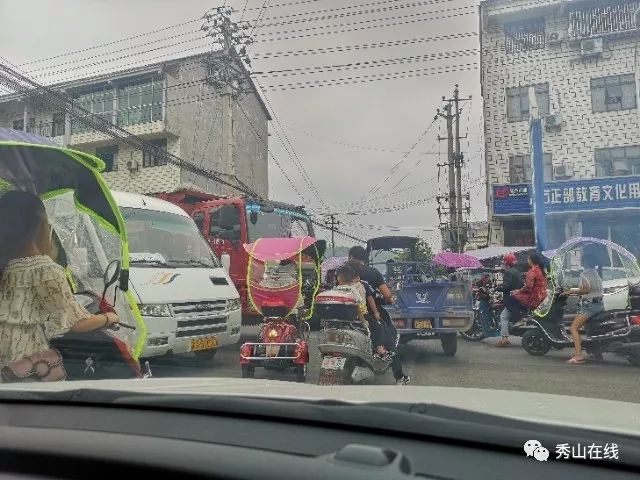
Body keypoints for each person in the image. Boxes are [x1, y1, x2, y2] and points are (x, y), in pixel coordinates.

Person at [0, 191, 119, 369]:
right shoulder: (45, 269)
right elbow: (77, 323)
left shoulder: (6, 264)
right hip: (23, 362)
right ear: (40, 224)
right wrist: (110, 317)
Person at [348, 246, 411, 386]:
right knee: (389, 339)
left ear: (351, 256)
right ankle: (399, 377)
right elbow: (387, 295)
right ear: (365, 258)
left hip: (345, 314)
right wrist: (389, 298)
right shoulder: (373, 273)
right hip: (369, 312)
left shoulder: (343, 272)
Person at [564, 254, 604, 365]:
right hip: (600, 305)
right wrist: (571, 289)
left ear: (585, 262)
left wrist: (571, 292)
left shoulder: (585, 274)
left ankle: (578, 356)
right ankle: (596, 353)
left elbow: (585, 290)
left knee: (573, 328)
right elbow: (590, 288)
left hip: (590, 307)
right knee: (591, 328)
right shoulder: (596, 273)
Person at [495, 253, 524, 347]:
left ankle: (504, 339)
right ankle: (505, 338)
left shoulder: (509, 272)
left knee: (503, 317)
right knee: (505, 317)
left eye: (503, 262)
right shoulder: (517, 271)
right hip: (517, 298)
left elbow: (507, 286)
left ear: (506, 263)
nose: (503, 264)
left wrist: (497, 288)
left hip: (511, 300)